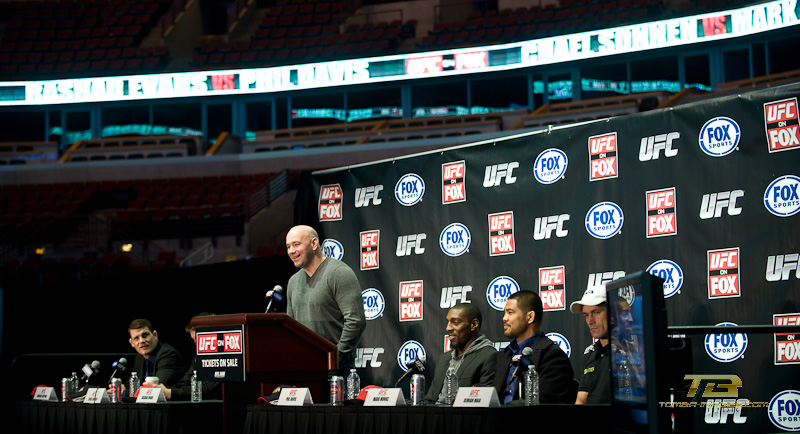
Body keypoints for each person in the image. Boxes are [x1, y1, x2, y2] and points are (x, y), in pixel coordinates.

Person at [284, 225, 367, 371]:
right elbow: (291, 327)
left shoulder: (339, 273)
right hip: (302, 369)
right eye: (288, 247)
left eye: (296, 244)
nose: (291, 251)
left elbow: (356, 321)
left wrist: (335, 359)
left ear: (314, 243)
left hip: (335, 371)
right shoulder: (293, 282)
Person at [492, 290, 575, 404]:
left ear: (530, 317)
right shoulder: (505, 354)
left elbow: (546, 403)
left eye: (510, 312)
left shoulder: (552, 356)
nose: (504, 318)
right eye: (505, 313)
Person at [424, 303, 496, 404]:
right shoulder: (444, 358)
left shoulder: (488, 356)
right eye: (448, 322)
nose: (448, 328)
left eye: (455, 322)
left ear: (474, 325)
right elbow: (430, 399)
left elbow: (483, 403)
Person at [144, 313, 221, 400]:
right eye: (194, 339)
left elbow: (208, 390)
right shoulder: (197, 359)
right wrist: (166, 390)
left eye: (197, 338)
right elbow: (184, 383)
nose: (195, 343)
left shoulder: (226, 358)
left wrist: (170, 393)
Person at [570, 286, 611, 404]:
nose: (590, 321)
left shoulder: (631, 351)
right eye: (586, 315)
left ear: (612, 312)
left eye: (596, 312)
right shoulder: (590, 354)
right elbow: (581, 400)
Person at [127, 318, 185, 388]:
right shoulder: (139, 357)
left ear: (155, 335)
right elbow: (130, 385)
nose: (141, 341)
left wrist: (124, 392)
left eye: (145, 335)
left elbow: (155, 387)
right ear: (132, 343)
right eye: (136, 338)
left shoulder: (168, 354)